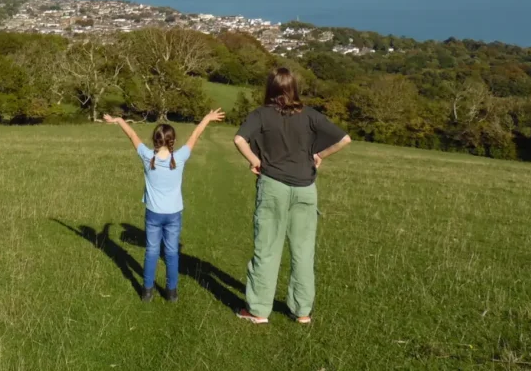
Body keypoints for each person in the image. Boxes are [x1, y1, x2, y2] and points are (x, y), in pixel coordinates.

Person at [233, 68, 351, 325]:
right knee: (303, 251)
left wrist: (256, 162)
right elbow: (345, 139)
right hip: (305, 189)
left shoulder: (261, 114)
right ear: (294, 88)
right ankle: (302, 312)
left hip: (273, 186)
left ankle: (258, 311)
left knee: (267, 248)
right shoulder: (310, 115)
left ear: (271, 89)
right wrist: (320, 156)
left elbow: (239, 139)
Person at [104, 108, 225, 302]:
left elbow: (132, 134)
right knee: (171, 253)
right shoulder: (180, 157)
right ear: (173, 142)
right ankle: (171, 293)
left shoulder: (146, 156)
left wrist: (118, 119)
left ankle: (147, 291)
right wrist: (207, 118)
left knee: (152, 252)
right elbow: (195, 135)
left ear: (154, 140)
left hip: (153, 214)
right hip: (174, 214)